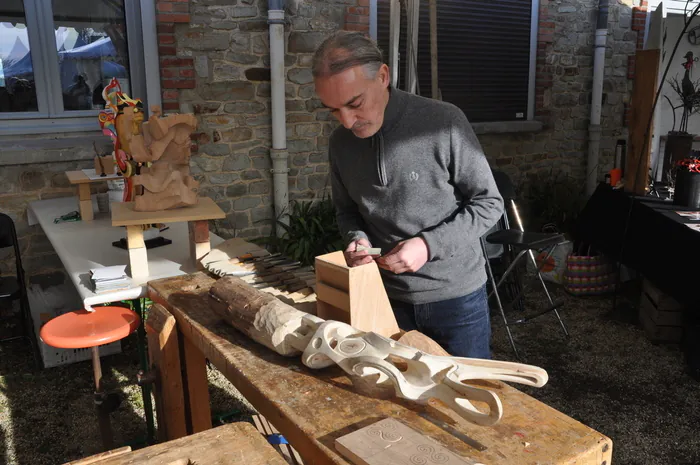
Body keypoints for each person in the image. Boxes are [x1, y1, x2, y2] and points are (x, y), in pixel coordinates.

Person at [311, 31, 504, 359]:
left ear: (383, 76)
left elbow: (489, 203)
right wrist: (357, 239)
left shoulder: (444, 122)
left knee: (468, 399)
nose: (347, 121)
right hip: (385, 298)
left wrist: (429, 246)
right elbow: (347, 212)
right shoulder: (340, 144)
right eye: (333, 110)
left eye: (355, 103)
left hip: (455, 299)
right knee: (398, 397)